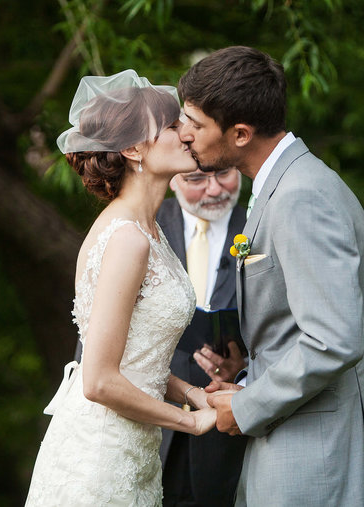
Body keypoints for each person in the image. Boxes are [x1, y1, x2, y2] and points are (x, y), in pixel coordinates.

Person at [178, 46, 364, 506]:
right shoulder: (285, 184)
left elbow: (334, 339)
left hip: (313, 458)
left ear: (239, 133)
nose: (184, 136)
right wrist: (248, 378)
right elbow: (296, 332)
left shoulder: (300, 197)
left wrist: (246, 406)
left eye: (195, 124)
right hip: (296, 442)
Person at [25, 69, 217, 507]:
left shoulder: (148, 230)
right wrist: (190, 421)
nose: (186, 134)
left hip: (134, 452)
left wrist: (191, 392)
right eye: (171, 127)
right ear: (133, 150)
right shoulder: (127, 238)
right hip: (99, 459)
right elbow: (99, 381)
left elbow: (136, 358)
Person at [157, 166, 249, 506]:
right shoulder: (144, 224)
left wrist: (243, 368)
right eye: (196, 180)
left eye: (223, 174)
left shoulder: (260, 226)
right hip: (155, 421)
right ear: (172, 178)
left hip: (226, 429)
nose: (213, 190)